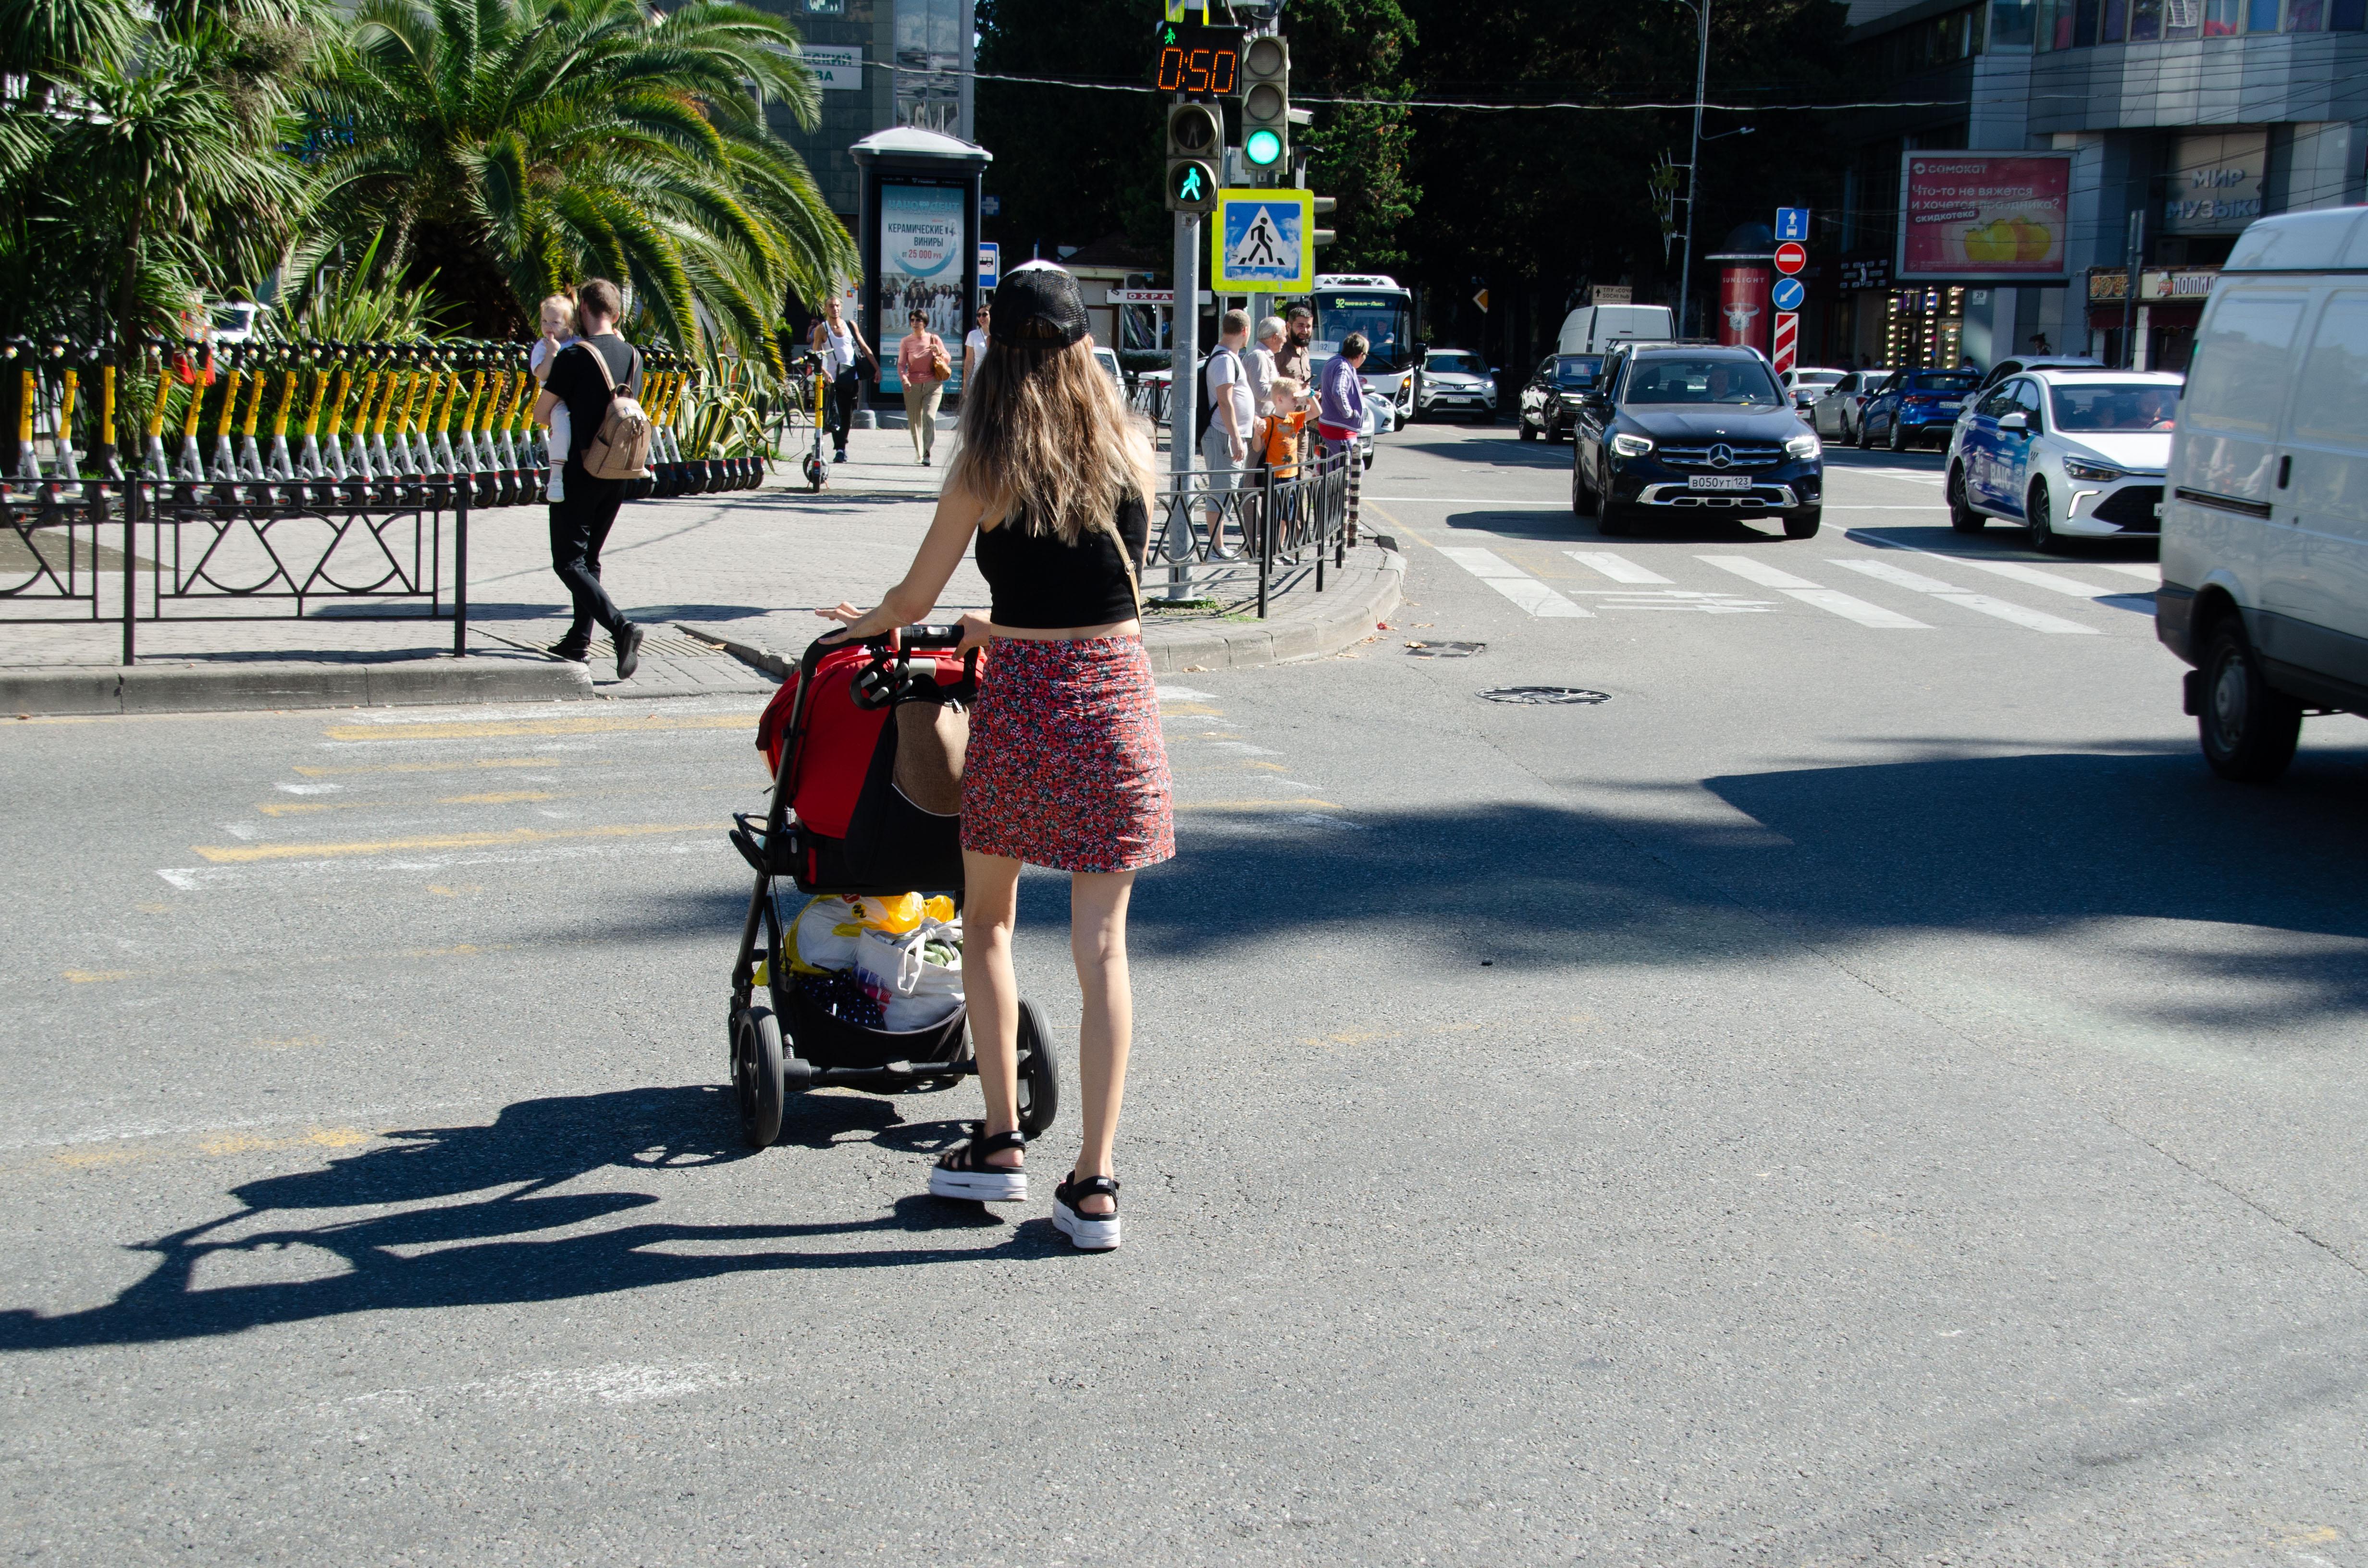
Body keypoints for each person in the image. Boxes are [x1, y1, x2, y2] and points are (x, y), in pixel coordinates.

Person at [815, 263, 1170, 1252]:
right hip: (1113, 705)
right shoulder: (1134, 451)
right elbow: (1100, 601)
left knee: (987, 925)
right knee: (1103, 948)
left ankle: (1002, 1142)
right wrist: (1004, 626)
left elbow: (911, 599)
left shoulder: (983, 463)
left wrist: (869, 624)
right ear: (1083, 346)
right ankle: (1094, 1183)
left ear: (994, 355)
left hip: (1021, 713)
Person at [530, 279, 646, 678]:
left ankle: (621, 627)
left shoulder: (573, 356)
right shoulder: (633, 356)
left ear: (581, 311)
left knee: (567, 562)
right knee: (589, 559)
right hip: (618, 470)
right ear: (616, 314)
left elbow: (541, 414)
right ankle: (579, 639)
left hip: (579, 471)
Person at [1202, 309, 1253, 533]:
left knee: (1226, 490)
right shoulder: (1224, 359)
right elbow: (1225, 401)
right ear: (1245, 331)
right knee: (1222, 490)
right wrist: (1236, 437)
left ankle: (1217, 545)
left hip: (1227, 433)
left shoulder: (1229, 357)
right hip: (1223, 434)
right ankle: (1216, 547)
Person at [528, 293, 578, 509]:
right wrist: (552, 354)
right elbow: (542, 375)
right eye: (544, 321)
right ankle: (556, 476)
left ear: (570, 324)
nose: (549, 326)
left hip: (577, 395)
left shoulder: (579, 342)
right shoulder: (542, 347)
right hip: (555, 398)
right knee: (562, 428)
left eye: (555, 322)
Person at [810, 295, 874, 464]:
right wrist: (824, 372)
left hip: (851, 377)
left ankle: (841, 445)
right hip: (833, 380)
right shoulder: (822, 330)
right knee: (837, 413)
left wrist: (876, 368)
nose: (835, 309)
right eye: (831, 306)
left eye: (837, 305)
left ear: (841, 307)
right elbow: (815, 356)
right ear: (826, 309)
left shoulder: (850, 325)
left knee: (847, 414)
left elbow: (863, 346)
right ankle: (840, 449)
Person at [897, 308, 950, 466]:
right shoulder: (906, 342)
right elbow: (901, 364)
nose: (915, 323)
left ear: (925, 323)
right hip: (912, 385)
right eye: (912, 320)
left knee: (929, 417)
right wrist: (904, 379)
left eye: (918, 320)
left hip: (933, 385)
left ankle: (927, 453)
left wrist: (939, 352)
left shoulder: (934, 339)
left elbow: (948, 358)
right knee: (914, 421)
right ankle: (919, 452)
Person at [1316, 330, 1368, 461]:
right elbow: (1338, 392)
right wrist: (1348, 413)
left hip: (1333, 424)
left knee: (1336, 465)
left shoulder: (1333, 362)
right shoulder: (1344, 367)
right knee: (1354, 465)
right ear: (1360, 354)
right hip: (1339, 427)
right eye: (1366, 355)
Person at [1275, 304, 1314, 386]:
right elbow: (1271, 386)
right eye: (1301, 326)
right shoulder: (1279, 350)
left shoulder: (1305, 351)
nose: (1305, 331)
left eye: (1308, 327)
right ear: (1289, 326)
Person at [962, 300, 990, 391]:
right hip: (977, 380)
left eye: (985, 315)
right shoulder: (973, 335)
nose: (981, 317)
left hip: (995, 379)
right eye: (979, 315)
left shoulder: (1000, 335)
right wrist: (966, 385)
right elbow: (969, 361)